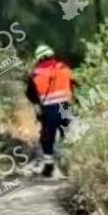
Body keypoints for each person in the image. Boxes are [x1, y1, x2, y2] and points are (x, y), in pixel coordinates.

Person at [26, 44, 75, 178]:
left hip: (49, 110)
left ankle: (49, 167)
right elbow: (73, 84)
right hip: (65, 107)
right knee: (68, 135)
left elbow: (30, 95)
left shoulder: (35, 74)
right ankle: (70, 165)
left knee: (47, 138)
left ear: (39, 58)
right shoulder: (64, 68)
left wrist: (38, 106)